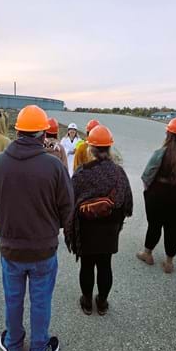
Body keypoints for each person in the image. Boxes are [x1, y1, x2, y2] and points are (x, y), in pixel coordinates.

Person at [0, 105, 73, 351]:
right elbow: (67, 207)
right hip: (43, 249)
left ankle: (12, 346)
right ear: (43, 133)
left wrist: (6, 221)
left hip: (10, 247)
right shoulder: (53, 166)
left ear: (18, 131)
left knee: (13, 297)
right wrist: (51, 224)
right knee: (41, 299)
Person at [65, 125, 132, 316]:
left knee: (86, 265)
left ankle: (87, 302)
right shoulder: (119, 172)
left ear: (90, 148)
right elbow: (127, 204)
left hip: (85, 228)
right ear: (110, 148)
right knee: (105, 265)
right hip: (109, 229)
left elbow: (70, 201)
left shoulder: (81, 172)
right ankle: (102, 303)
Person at [136, 118, 176, 273]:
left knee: (154, 225)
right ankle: (169, 262)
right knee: (173, 228)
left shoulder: (161, 152)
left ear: (169, 134)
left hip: (158, 195)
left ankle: (147, 253)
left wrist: (149, 191)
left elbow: (147, 175)